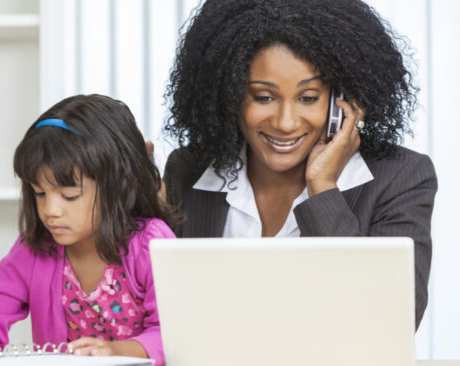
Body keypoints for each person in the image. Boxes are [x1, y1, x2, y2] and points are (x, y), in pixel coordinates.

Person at [162, 0, 437, 330]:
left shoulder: (401, 178)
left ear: (343, 102)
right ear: (229, 95)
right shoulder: (188, 170)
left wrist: (323, 188)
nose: (285, 122)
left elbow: (394, 321)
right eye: (264, 97)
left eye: (308, 98)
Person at [0, 94, 177, 365]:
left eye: (69, 195)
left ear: (120, 186)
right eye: (39, 193)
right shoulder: (32, 250)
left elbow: (172, 334)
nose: (50, 210)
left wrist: (114, 351)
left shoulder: (151, 244)